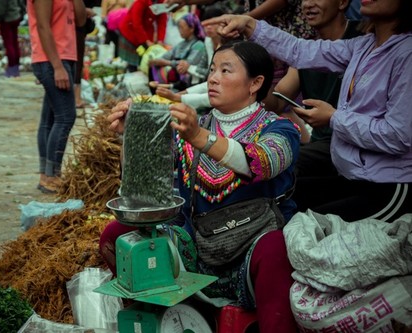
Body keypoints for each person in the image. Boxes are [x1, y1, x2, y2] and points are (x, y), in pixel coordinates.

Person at [102, 40, 301, 333]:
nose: (212, 78)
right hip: (196, 247)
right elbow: (147, 187)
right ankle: (161, 317)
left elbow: (262, 162)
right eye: (211, 69)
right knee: (117, 234)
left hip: (254, 246)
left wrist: (200, 137)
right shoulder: (191, 127)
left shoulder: (279, 129)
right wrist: (132, 135)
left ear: (255, 83)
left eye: (225, 70)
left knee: (275, 248)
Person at [203, 0, 412, 222]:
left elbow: (398, 135)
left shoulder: (406, 54)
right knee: (277, 205)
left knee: (302, 226)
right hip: (350, 175)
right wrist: (249, 25)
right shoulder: (363, 46)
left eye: (226, 70)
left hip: (387, 186)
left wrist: (333, 118)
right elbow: (299, 51)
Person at [262, 0, 362, 174]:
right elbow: (276, 103)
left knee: (275, 164)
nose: (308, 4)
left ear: (342, 3)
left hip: (355, 147)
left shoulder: (363, 40)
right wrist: (253, 75)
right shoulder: (306, 52)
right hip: (321, 147)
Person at [28, 0, 86, 193]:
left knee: (50, 118)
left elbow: (80, 20)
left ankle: (46, 175)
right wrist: (57, 66)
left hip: (66, 57)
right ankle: (52, 175)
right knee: (65, 117)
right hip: (52, 59)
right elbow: (43, 26)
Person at [149, 13, 207, 91]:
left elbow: (188, 65)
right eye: (179, 27)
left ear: (192, 28)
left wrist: (167, 63)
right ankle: (159, 87)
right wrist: (157, 61)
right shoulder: (180, 44)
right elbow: (166, 56)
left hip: (188, 82)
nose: (179, 30)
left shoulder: (199, 45)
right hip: (176, 77)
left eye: (182, 27)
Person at [117, 0, 168, 72]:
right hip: (131, 31)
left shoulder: (161, 2)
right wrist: (146, 41)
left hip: (146, 31)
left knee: (144, 60)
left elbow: (162, 22)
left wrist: (160, 40)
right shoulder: (141, 2)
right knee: (133, 62)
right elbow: (136, 23)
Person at [0, 0, 26, 77]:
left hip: (7, 19)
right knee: (14, 44)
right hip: (15, 16)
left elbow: (1, 7)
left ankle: (12, 69)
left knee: (9, 45)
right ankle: (15, 68)